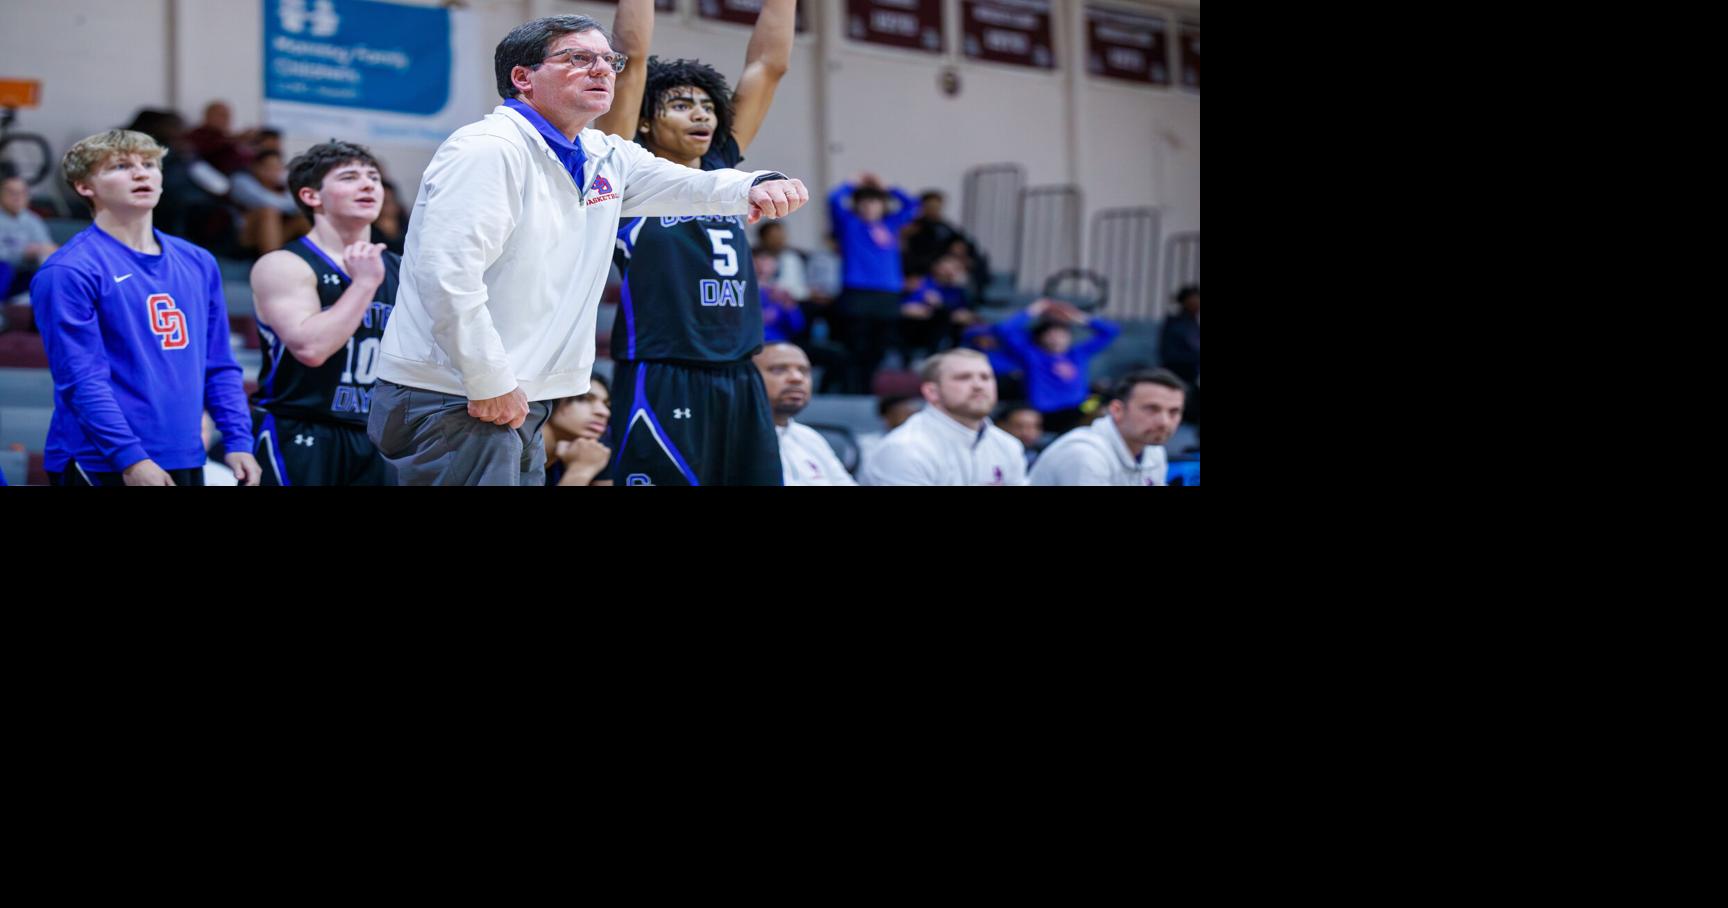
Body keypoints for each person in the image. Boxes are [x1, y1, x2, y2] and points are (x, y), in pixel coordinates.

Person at [367, 14, 809, 485]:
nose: (602, 69)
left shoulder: (603, 153)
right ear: (523, 78)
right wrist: (488, 381)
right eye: (579, 58)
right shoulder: (487, 150)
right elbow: (447, 278)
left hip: (515, 391)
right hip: (455, 390)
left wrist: (755, 185)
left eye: (608, 60)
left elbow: (686, 183)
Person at [593, 0, 798, 486]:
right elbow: (631, 60)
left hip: (741, 373)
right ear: (646, 122)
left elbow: (768, 66)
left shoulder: (721, 170)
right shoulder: (624, 174)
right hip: (665, 369)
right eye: (682, 105)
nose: (701, 115)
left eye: (707, 106)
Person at [31, 129, 259, 486]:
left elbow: (218, 364)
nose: (141, 173)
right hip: (102, 459)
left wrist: (238, 439)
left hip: (184, 453)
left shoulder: (199, 261)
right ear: (84, 186)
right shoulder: (69, 270)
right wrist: (130, 458)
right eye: (121, 166)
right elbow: (81, 379)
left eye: (149, 164)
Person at [248, 141, 399, 485]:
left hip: (375, 434)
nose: (368, 185)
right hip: (301, 430)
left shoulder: (402, 268)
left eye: (373, 177)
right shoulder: (283, 264)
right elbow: (311, 348)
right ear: (311, 195)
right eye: (350, 177)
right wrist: (364, 284)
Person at [857, 348, 1025, 486]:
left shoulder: (1008, 446)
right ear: (932, 392)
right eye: (963, 377)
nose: (978, 385)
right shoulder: (905, 448)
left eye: (986, 377)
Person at [830, 172, 919, 393]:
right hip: (857, 292)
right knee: (855, 345)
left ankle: (869, 388)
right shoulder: (850, 224)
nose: (869, 207)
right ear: (857, 206)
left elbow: (913, 206)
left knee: (880, 346)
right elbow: (833, 199)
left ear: (882, 205)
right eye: (864, 203)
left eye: (875, 202)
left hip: (887, 293)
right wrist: (852, 184)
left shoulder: (891, 224)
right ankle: (852, 390)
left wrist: (887, 187)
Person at [1030, 369, 1185, 486]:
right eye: (1151, 409)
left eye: (1174, 412)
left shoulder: (1153, 450)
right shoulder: (1084, 454)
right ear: (1117, 410)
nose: (1164, 422)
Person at [993, 297, 1121, 434]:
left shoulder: (1078, 354)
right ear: (1041, 338)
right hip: (1045, 414)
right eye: (1051, 334)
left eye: (1062, 334)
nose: (1057, 338)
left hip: (1078, 410)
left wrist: (1077, 316)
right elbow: (1004, 329)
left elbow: (1111, 331)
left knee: (1103, 398)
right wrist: (1035, 310)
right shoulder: (1032, 355)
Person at [753, 342, 855, 486]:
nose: (797, 378)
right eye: (778, 370)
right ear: (747, 380)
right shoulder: (729, 440)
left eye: (804, 371)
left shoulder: (809, 438)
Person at [543, 373, 614, 486]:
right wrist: (581, 471)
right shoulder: (516, 451)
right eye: (585, 399)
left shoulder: (594, 452)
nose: (604, 412)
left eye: (607, 405)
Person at [1, 172, 57, 303]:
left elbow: (46, 247)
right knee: (4, 269)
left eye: (22, 193)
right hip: (4, 272)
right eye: (12, 193)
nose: (18, 197)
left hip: (24, 274)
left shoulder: (33, 220)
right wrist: (24, 253)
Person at [1160, 284, 1200, 424]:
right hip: (1180, 372)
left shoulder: (1194, 323)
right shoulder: (1176, 323)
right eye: (1194, 299)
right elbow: (1170, 354)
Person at [994, 402, 1044, 472]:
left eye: (1033, 426)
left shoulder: (1045, 454)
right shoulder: (993, 455)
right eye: (1019, 426)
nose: (1026, 432)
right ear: (1001, 426)